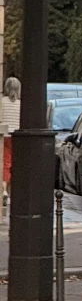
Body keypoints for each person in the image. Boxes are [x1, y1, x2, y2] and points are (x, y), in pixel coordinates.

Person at [0, 77, 21, 206]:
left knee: (5, 163)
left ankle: (3, 189)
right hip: (18, 137)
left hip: (5, 136)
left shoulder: (2, 102)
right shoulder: (21, 104)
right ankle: (16, 190)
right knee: (17, 164)